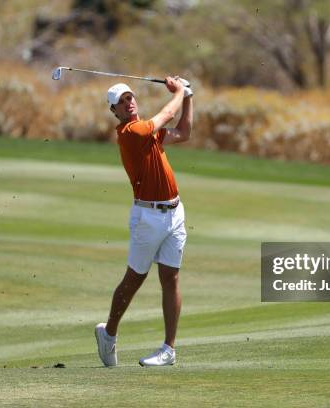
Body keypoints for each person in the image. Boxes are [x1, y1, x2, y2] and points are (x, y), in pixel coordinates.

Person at [95, 76, 193, 367]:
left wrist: (189, 96)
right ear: (115, 111)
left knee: (171, 278)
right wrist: (178, 92)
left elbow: (184, 132)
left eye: (130, 98)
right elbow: (167, 114)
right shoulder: (131, 133)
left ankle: (168, 350)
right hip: (147, 217)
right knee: (135, 278)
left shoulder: (149, 132)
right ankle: (109, 333)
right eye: (121, 102)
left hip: (175, 213)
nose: (128, 103)